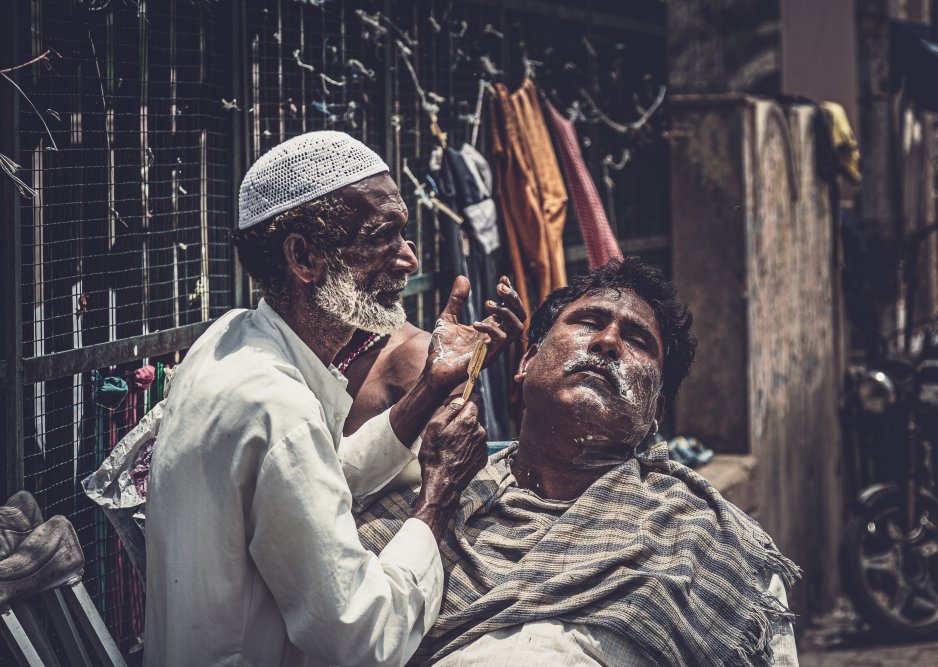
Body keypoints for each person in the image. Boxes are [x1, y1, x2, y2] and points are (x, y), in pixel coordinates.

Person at [143, 131, 526, 667]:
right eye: (382, 237)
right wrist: (436, 496)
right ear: (304, 256)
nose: (408, 260)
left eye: (404, 235)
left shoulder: (231, 337)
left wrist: (432, 384)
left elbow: (315, 475)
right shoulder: (276, 406)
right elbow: (365, 640)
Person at [357, 257, 800, 667]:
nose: (608, 342)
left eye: (638, 341)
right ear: (526, 362)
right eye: (588, 322)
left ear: (654, 414)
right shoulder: (422, 504)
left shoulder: (711, 551)